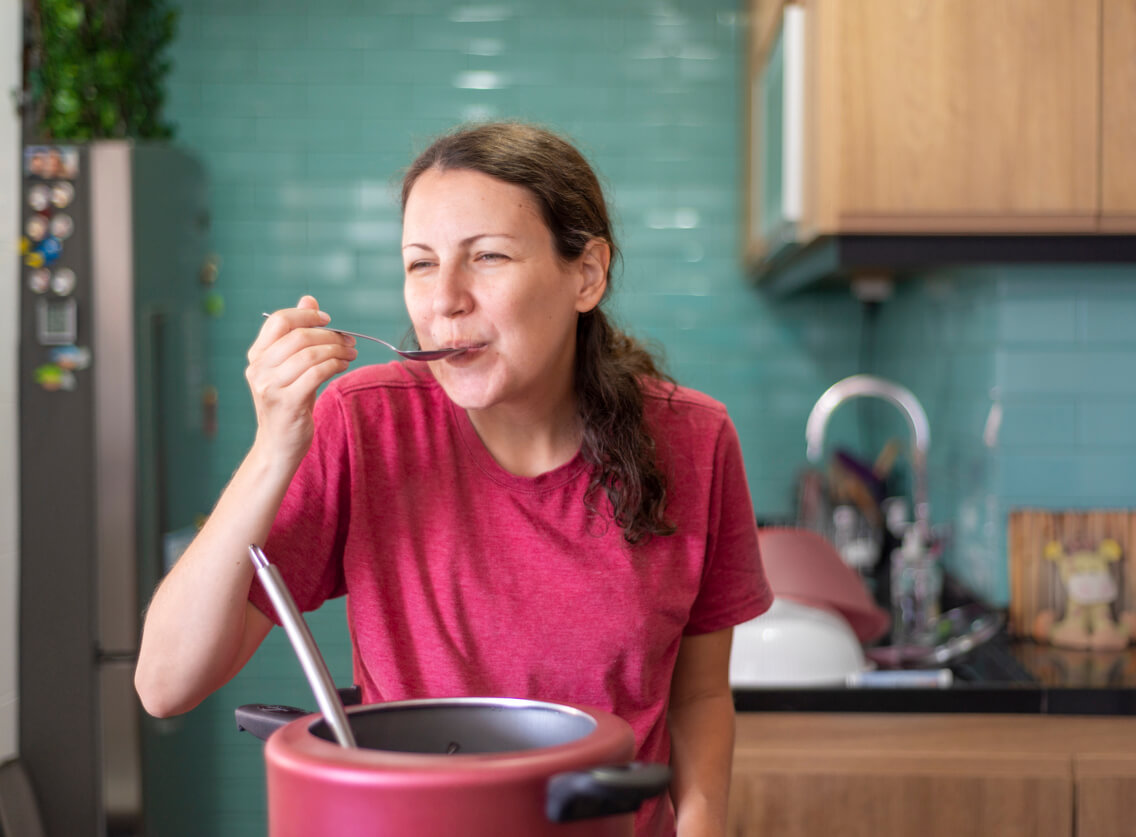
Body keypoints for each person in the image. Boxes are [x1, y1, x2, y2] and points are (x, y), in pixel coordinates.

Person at [134, 122, 772, 836]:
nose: (445, 299)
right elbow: (165, 683)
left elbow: (700, 695)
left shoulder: (695, 438)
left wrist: (703, 824)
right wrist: (273, 447)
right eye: (419, 264)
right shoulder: (363, 423)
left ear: (586, 274)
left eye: (488, 257)